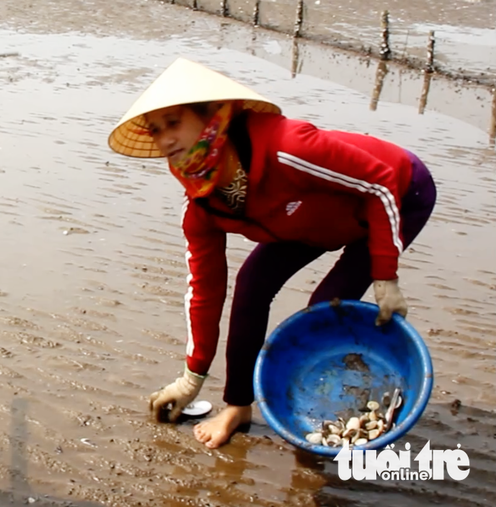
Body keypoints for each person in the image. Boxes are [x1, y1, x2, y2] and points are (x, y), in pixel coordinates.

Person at [106, 58, 437, 449]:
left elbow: (379, 183)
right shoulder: (202, 205)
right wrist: (191, 378)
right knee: (251, 286)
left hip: (394, 193)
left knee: (327, 306)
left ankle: (335, 401)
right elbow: (205, 292)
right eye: (156, 130)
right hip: (302, 217)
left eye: (173, 123)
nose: (164, 141)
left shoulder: (288, 147)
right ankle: (237, 406)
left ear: (214, 116)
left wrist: (385, 276)